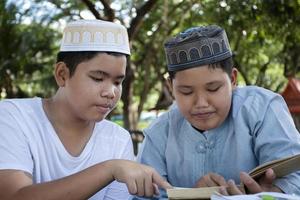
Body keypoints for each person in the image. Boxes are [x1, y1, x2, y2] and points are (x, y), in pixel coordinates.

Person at [0, 19, 171, 200]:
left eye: (117, 82)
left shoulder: (118, 139)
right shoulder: (13, 117)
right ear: (62, 74)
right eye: (98, 78)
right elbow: (13, 196)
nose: (111, 92)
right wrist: (109, 169)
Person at [135, 25, 300, 199]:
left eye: (213, 89)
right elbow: (144, 196)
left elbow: (295, 175)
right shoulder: (159, 132)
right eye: (186, 92)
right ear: (170, 87)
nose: (201, 103)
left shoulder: (262, 108)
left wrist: (275, 193)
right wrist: (193, 196)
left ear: (233, 79)